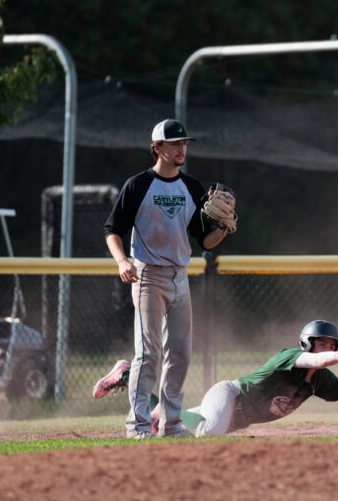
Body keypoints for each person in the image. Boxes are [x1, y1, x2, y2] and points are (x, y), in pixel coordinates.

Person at [98, 118, 230, 439]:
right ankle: (138, 426)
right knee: (149, 352)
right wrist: (121, 261)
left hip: (179, 276)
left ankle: (171, 424)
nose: (181, 148)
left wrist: (224, 226)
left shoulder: (192, 187)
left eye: (184, 143)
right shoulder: (138, 185)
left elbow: (205, 241)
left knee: (181, 353)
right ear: (157, 148)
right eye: (175, 143)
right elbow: (112, 230)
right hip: (147, 276)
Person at [151, 319, 338, 437]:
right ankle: (164, 409)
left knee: (182, 428)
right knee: (209, 432)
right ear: (307, 344)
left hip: (239, 418)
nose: (327, 349)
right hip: (230, 394)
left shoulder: (322, 380)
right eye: (322, 343)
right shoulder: (291, 356)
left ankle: (150, 399)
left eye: (332, 346)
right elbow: (315, 361)